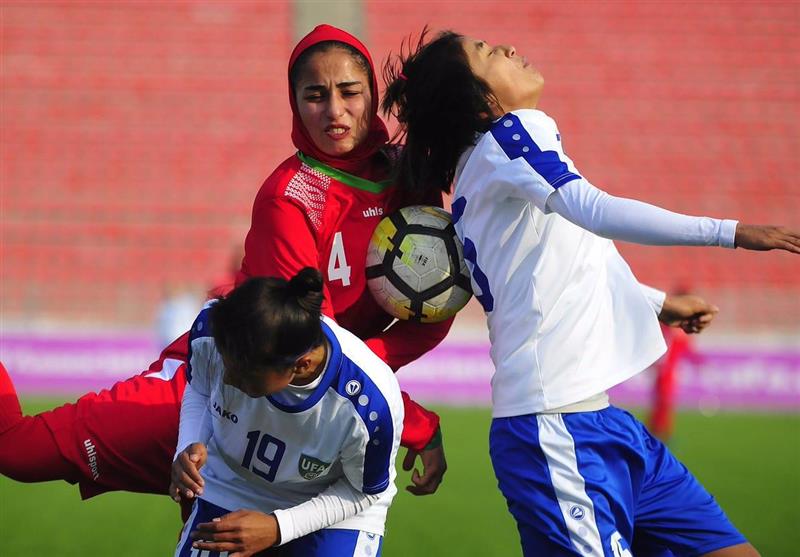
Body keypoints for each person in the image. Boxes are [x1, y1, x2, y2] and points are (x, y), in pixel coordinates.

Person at [382, 29, 799, 557]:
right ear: (485, 103)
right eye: (487, 54)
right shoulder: (514, 134)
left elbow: (558, 259)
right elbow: (592, 210)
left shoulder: (474, 174)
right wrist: (730, 232)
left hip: (599, 423)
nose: (507, 48)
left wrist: (654, 302)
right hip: (556, 430)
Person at [0, 25, 450, 509]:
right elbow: (304, 340)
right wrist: (408, 417)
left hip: (309, 403)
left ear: (372, 93)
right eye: (315, 95)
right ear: (295, 103)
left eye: (349, 92)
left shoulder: (412, 178)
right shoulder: (290, 197)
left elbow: (436, 309)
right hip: (222, 380)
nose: (334, 111)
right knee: (19, 451)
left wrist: (369, 375)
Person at [172, 268, 403, 556]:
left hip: (335, 509)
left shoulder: (370, 402)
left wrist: (278, 527)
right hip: (233, 483)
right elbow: (202, 389)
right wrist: (189, 444)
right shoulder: (215, 329)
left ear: (301, 365)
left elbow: (363, 490)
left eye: (244, 376)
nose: (228, 381)